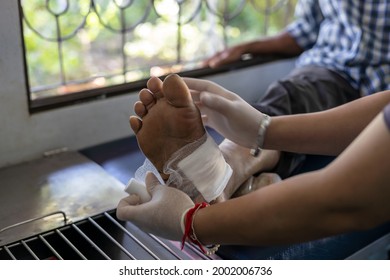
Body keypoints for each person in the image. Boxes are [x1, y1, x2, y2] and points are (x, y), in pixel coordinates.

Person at [117, 73, 390, 250]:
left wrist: (191, 222)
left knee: (292, 94)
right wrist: (263, 128)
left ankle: (225, 170)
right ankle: (228, 167)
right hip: (336, 77)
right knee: (294, 95)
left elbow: (348, 201)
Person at [203, 0, 390, 184]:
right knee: (290, 95)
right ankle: (226, 171)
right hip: (331, 67)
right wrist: (246, 48)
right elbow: (306, 31)